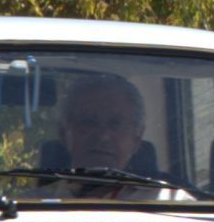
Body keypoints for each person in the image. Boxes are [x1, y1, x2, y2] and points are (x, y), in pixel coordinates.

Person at [46, 73, 179, 199]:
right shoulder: (30, 206)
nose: (103, 136)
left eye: (116, 124)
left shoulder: (177, 207)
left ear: (136, 139)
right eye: (89, 122)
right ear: (63, 134)